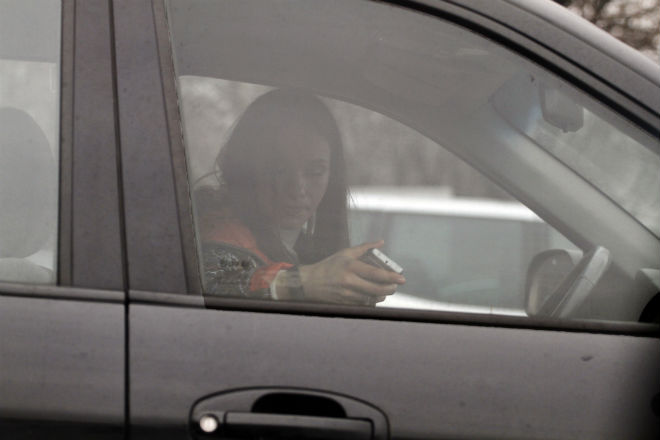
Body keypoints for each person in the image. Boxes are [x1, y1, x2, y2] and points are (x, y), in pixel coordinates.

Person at [197, 89, 405, 305]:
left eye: (315, 171)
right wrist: (298, 284)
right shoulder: (214, 238)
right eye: (278, 169)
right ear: (245, 171)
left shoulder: (303, 249)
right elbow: (211, 280)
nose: (297, 188)